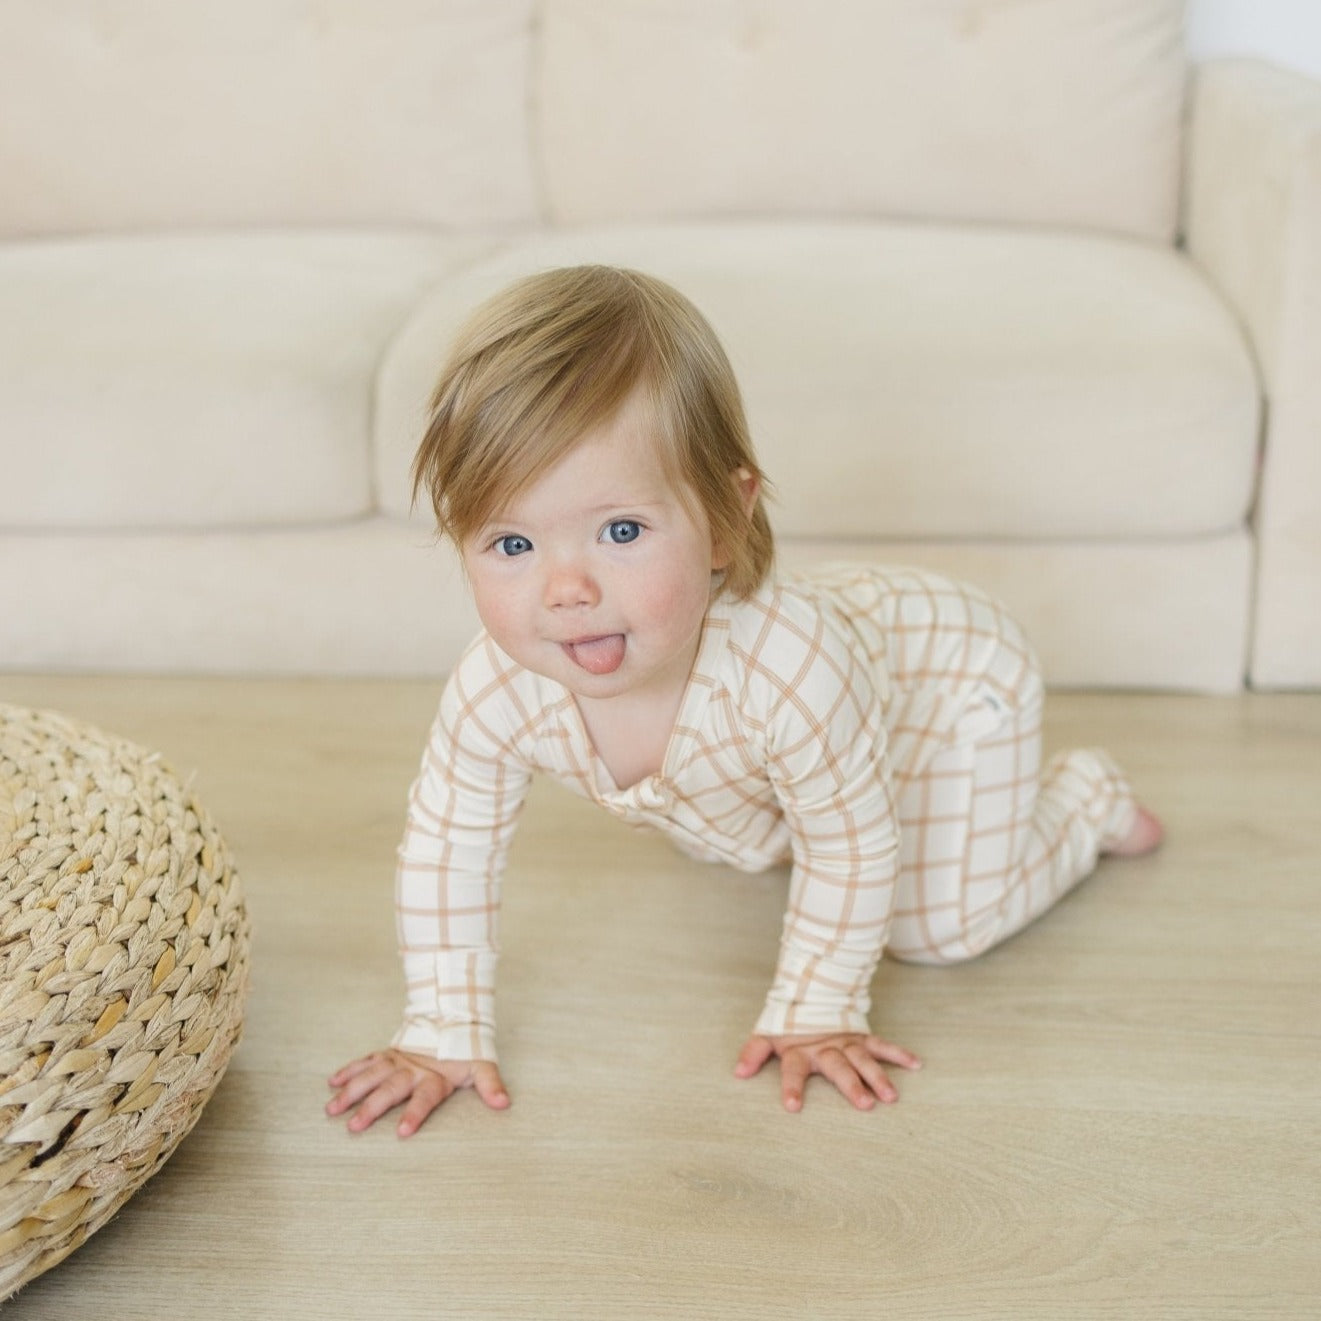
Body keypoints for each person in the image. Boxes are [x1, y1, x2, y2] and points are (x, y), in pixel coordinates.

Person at [326, 265, 1163, 1138]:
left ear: (726, 520)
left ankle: (1087, 801)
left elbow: (849, 843)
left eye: (621, 531)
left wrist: (815, 1005)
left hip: (949, 687)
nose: (565, 589)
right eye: (510, 541)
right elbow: (448, 846)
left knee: (934, 926)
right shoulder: (495, 688)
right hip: (834, 716)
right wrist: (441, 1028)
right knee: (763, 824)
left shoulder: (789, 671)